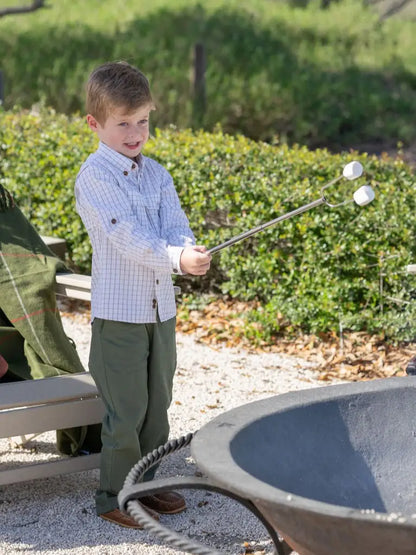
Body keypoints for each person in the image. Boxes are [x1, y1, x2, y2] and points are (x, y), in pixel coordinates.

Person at [75, 61, 211, 528]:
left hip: (161, 312)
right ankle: (113, 496)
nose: (136, 133)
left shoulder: (156, 175)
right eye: (124, 123)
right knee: (126, 409)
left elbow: (174, 224)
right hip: (120, 316)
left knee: (158, 405)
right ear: (95, 123)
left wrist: (187, 247)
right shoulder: (94, 178)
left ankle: (145, 485)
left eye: (144, 121)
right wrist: (175, 259)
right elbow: (126, 236)